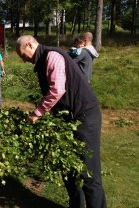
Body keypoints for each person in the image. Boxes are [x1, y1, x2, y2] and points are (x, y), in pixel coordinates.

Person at [16, 35, 107, 208]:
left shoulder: (52, 55)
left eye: (22, 54)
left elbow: (57, 90)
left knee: (89, 173)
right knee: (68, 169)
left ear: (29, 44)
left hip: (84, 115)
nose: (23, 60)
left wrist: (37, 113)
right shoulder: (43, 60)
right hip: (68, 118)